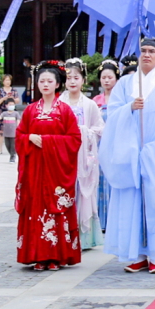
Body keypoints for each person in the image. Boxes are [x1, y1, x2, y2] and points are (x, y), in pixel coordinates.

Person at [100, 39, 155, 273]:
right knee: (131, 204)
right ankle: (136, 254)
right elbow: (111, 113)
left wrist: (154, 149)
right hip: (129, 154)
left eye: (152, 52)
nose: (146, 55)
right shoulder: (126, 83)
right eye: (143, 51)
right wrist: (129, 108)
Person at [14, 62, 83, 270]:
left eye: (49, 81)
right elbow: (19, 136)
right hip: (34, 169)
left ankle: (55, 256)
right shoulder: (29, 110)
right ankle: (36, 254)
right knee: (35, 207)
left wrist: (49, 141)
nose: (45, 84)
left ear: (57, 84)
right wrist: (29, 138)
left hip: (55, 171)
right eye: (41, 81)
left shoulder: (65, 111)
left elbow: (74, 139)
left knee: (55, 208)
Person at [59, 61, 105, 250]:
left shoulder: (90, 104)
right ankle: (65, 234)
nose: (72, 81)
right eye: (68, 78)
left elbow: (100, 128)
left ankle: (83, 236)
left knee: (82, 192)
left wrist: (84, 131)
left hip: (83, 155)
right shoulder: (59, 102)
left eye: (76, 78)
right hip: (62, 153)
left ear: (83, 80)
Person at [94, 59, 119, 231]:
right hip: (99, 146)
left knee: (114, 181)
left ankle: (115, 220)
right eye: (103, 78)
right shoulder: (95, 100)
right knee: (99, 182)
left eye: (110, 77)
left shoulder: (121, 98)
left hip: (116, 146)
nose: (107, 80)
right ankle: (101, 221)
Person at [0, 74, 21, 162]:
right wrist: (4, 98)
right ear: (3, 81)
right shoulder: (0, 91)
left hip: (12, 112)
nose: (8, 82)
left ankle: (13, 151)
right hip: (2, 111)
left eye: (9, 80)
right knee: (1, 130)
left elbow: (18, 100)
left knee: (12, 131)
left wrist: (11, 98)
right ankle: (0, 148)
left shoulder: (14, 90)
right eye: (6, 80)